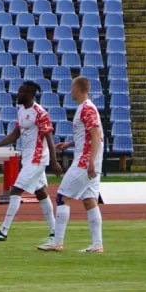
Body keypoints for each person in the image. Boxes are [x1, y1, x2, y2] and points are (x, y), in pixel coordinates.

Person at [0, 81, 62, 242]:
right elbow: (15, 134)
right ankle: (55, 232)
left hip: (37, 158)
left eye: (21, 92)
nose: (18, 94)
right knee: (41, 193)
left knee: (15, 190)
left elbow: (48, 137)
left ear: (29, 95)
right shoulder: (21, 111)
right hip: (27, 158)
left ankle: (3, 231)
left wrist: (54, 161)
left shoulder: (40, 113)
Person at [38, 77, 104, 253]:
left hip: (85, 162)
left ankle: (57, 242)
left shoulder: (87, 108)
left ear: (79, 89)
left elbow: (96, 135)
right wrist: (69, 144)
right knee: (89, 200)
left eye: (72, 87)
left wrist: (91, 161)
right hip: (89, 160)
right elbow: (89, 135)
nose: (70, 90)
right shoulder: (85, 108)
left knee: (62, 196)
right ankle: (97, 244)